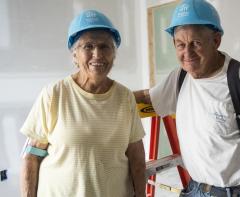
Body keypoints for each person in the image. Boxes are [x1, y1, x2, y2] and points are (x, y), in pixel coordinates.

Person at [134, 0, 240, 197]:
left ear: (216, 40)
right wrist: (102, 96)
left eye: (196, 43)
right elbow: (147, 97)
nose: (187, 53)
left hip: (239, 193)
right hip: (195, 189)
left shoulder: (239, 77)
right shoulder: (181, 76)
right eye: (181, 45)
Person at [20, 10, 146, 197]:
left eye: (105, 47)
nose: (98, 54)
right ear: (75, 55)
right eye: (88, 46)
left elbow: (136, 156)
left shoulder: (125, 97)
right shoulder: (54, 94)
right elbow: (31, 157)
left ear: (114, 55)